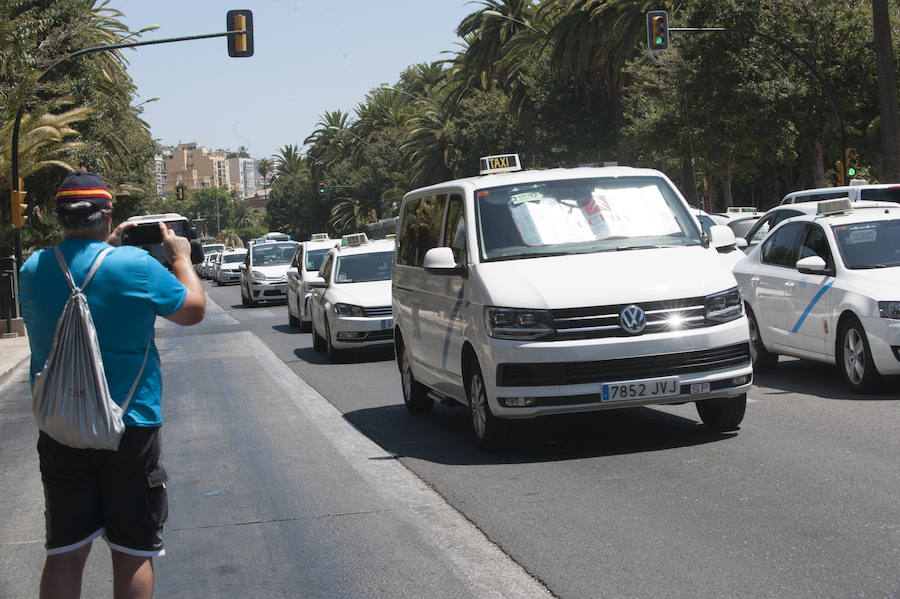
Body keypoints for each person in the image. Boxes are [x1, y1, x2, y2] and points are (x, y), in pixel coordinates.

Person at [18, 171, 206, 599]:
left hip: (61, 426)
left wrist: (104, 246)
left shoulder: (31, 270)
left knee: (65, 551)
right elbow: (193, 310)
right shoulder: (136, 266)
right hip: (131, 425)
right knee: (132, 550)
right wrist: (181, 257)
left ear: (59, 217)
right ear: (107, 217)